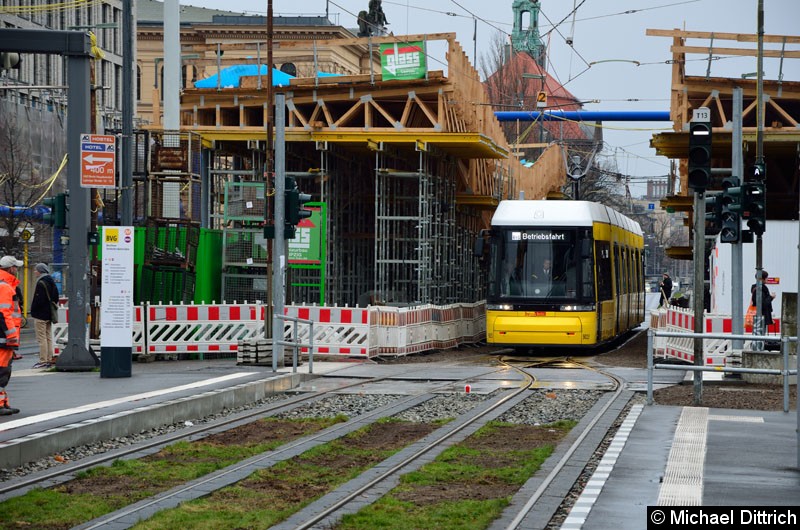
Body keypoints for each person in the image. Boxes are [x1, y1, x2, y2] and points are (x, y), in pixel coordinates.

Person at [0, 255, 23, 415]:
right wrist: (11, 336)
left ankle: (3, 401)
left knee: (4, 371)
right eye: (16, 267)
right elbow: (4, 313)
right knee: (1, 371)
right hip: (4, 338)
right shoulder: (5, 287)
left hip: (5, 338)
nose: (18, 270)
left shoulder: (7, 285)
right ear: (11, 269)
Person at [30, 263, 59, 368]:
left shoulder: (41, 283)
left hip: (40, 314)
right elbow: (56, 297)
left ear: (40, 271)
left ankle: (43, 360)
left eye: (36, 270)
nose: (34, 272)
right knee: (48, 337)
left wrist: (33, 310)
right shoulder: (52, 281)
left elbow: (38, 300)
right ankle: (50, 358)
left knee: (41, 338)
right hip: (49, 314)